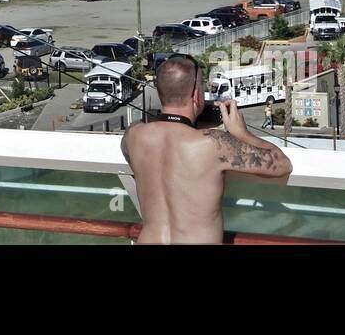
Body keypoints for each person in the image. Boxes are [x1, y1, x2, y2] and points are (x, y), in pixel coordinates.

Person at [121, 55, 292, 243]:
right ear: (196, 94)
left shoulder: (134, 136)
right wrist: (241, 133)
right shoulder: (213, 143)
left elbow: (141, 154)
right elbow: (281, 164)